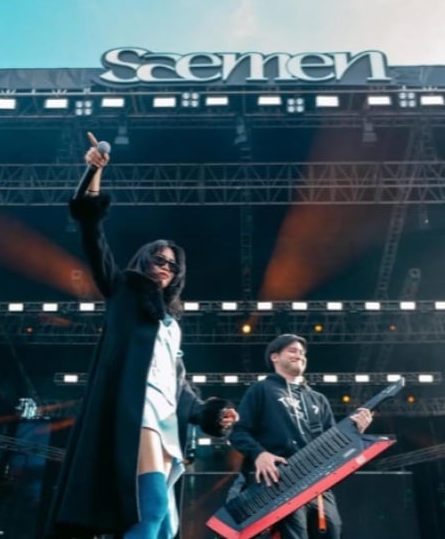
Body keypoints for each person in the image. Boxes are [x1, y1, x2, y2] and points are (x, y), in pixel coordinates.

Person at [46, 132, 240, 539]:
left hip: (167, 418)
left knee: (165, 527)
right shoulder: (124, 291)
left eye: (172, 264)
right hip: (139, 412)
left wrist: (212, 413)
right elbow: (91, 231)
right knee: (149, 511)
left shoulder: (170, 325)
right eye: (159, 259)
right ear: (144, 260)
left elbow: (179, 387)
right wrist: (93, 173)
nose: (165, 266)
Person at [227, 334, 373, 539]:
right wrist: (259, 454)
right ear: (275, 357)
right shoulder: (261, 390)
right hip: (280, 478)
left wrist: (355, 431)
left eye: (302, 353)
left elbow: (334, 445)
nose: (299, 355)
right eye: (292, 351)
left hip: (317, 482)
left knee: (332, 531)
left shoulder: (318, 399)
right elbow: (238, 432)